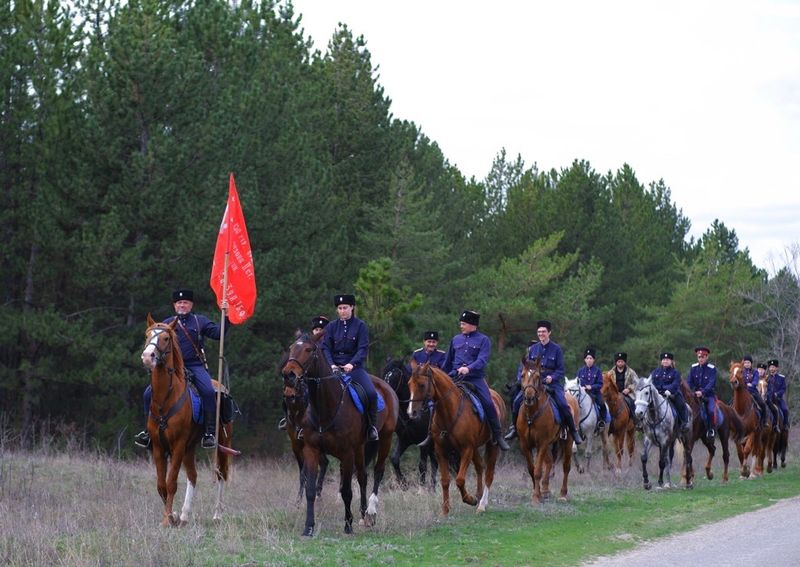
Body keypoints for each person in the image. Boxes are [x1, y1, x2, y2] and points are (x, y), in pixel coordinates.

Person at [136, 289, 227, 449]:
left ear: (191, 305)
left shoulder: (200, 322)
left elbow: (218, 334)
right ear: (174, 305)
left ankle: (209, 433)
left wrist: (226, 317)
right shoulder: (166, 324)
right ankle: (147, 431)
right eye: (179, 303)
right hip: (171, 368)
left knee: (207, 391)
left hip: (195, 365)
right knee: (147, 394)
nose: (182, 305)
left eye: (185, 302)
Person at [439, 310, 509, 451]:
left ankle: (497, 435)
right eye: (461, 323)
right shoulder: (455, 340)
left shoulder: (484, 340)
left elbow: (482, 360)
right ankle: (432, 433)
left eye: (463, 324)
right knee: (435, 400)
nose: (461, 326)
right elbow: (447, 362)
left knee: (488, 403)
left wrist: (469, 369)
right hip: (454, 377)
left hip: (475, 378)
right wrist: (441, 375)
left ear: (472, 325)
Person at [504, 320, 583, 444]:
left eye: (544, 332)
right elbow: (524, 367)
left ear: (549, 332)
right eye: (539, 332)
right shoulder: (533, 349)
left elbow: (561, 370)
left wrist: (552, 377)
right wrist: (523, 379)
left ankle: (573, 431)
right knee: (516, 402)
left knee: (563, 405)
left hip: (552, 383)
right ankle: (514, 428)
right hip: (534, 383)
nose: (541, 334)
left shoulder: (556, 349)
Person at [321, 294, 379, 441]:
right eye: (339, 308)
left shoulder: (360, 326)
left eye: (345, 308)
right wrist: (332, 364)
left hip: (354, 368)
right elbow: (326, 348)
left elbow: (363, 349)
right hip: (333, 368)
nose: (342, 311)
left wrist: (351, 364)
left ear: (352, 307)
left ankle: (372, 427)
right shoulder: (331, 327)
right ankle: (309, 426)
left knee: (371, 393)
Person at [278, 315, 330, 431]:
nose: (318, 332)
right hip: (308, 377)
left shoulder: (329, 343)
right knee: (289, 392)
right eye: (316, 330)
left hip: (327, 377)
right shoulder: (307, 345)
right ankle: (288, 419)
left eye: (321, 330)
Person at [650, 352, 690, 431]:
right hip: (657, 394)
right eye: (664, 360)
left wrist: (668, 390)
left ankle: (684, 423)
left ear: (671, 361)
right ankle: (642, 423)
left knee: (681, 404)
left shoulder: (675, 373)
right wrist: (660, 389)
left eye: (667, 360)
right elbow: (652, 383)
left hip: (672, 394)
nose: (665, 361)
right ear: (661, 361)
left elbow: (675, 384)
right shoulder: (655, 372)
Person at [687, 345, 717, 438]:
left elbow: (711, 383)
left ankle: (710, 429)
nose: (701, 359)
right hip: (695, 395)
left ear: (707, 357)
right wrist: (690, 391)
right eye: (699, 357)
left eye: (703, 357)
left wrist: (703, 392)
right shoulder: (693, 367)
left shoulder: (712, 369)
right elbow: (689, 381)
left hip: (708, 396)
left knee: (711, 411)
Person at [576, 347, 607, 429]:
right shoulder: (580, 371)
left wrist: (591, 387)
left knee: (601, 404)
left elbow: (600, 383)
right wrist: (582, 387)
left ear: (594, 360)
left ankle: (601, 421)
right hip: (583, 393)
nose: (589, 360)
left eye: (591, 358)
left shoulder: (598, 371)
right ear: (584, 360)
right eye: (587, 358)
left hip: (595, 393)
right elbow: (577, 383)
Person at [612, 352, 638, 424]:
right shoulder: (611, 373)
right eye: (618, 361)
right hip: (615, 394)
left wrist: (629, 389)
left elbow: (637, 383)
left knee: (632, 403)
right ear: (616, 362)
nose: (620, 363)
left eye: (622, 361)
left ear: (625, 362)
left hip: (627, 394)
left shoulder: (631, 372)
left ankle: (635, 419)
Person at [741, 355, 767, 427]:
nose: (746, 364)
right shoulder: (741, 371)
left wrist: (752, 384)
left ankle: (763, 421)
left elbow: (756, 381)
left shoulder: (755, 371)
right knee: (730, 404)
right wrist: (745, 384)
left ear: (751, 363)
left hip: (753, 391)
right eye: (745, 363)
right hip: (743, 391)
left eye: (748, 362)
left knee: (762, 404)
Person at [767, 359, 789, 432]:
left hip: (778, 399)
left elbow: (783, 388)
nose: (772, 369)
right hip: (769, 399)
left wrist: (777, 394)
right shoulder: (767, 378)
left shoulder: (781, 377)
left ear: (777, 368)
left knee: (785, 409)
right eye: (770, 367)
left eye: (773, 367)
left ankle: (785, 424)